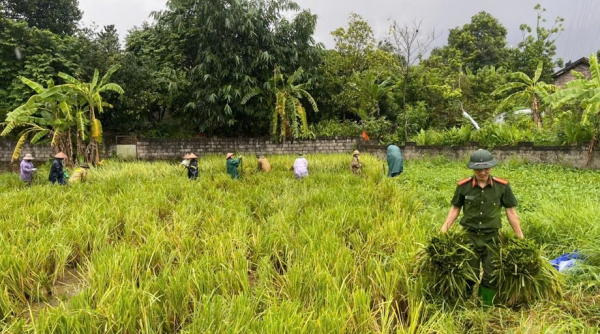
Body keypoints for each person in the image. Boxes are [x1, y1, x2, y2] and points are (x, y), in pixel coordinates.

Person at [440, 149, 524, 306]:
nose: (482, 172)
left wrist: (520, 236)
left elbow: (511, 211)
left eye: (486, 168)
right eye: (478, 169)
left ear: (491, 167)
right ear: (473, 168)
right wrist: (444, 229)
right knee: (467, 272)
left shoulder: (502, 187)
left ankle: (485, 306)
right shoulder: (463, 186)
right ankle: (464, 304)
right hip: (469, 236)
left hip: (491, 238)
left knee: (491, 274)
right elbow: (455, 208)